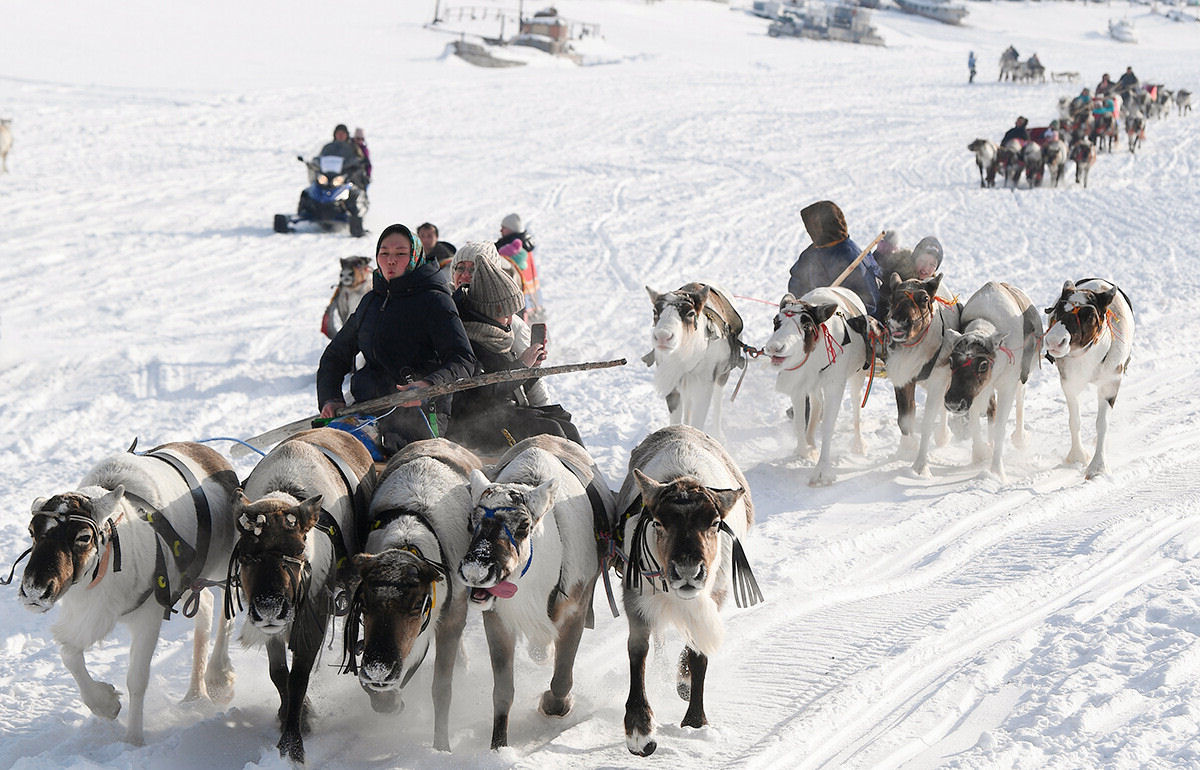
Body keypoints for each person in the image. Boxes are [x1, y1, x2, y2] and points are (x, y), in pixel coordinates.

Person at [316, 223, 476, 453]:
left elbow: (463, 359)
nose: (391, 260)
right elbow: (334, 356)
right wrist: (330, 398)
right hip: (369, 411)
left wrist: (428, 385)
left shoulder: (435, 300)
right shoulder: (371, 301)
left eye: (400, 254)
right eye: (384, 253)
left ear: (415, 256)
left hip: (420, 417)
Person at [446, 250, 581, 454]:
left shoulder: (497, 330)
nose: (510, 320)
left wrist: (530, 369)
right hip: (473, 425)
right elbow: (482, 389)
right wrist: (522, 365)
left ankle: (589, 483)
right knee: (551, 430)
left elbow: (505, 376)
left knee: (564, 423)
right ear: (489, 310)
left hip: (502, 413)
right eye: (505, 313)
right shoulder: (466, 336)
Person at [787, 200, 881, 319]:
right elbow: (798, 279)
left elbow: (868, 302)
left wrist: (836, 314)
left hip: (845, 324)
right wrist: (803, 303)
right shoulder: (813, 252)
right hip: (813, 319)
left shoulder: (849, 256)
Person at [496, 213, 544, 319]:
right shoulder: (526, 244)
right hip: (533, 300)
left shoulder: (512, 248)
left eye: (503, 228)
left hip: (519, 301)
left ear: (511, 229)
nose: (501, 230)